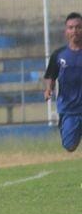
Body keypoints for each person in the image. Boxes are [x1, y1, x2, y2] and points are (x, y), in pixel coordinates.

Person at [43, 12, 82, 152]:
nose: (75, 31)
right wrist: (48, 89)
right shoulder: (59, 55)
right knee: (70, 146)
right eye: (71, 28)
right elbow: (50, 76)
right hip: (69, 109)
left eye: (78, 27)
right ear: (66, 31)